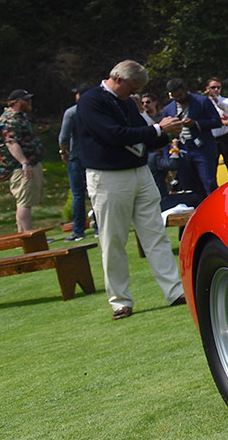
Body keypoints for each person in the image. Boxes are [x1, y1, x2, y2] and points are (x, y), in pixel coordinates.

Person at [77, 60, 186, 319]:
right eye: (133, 87)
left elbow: (142, 135)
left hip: (139, 173)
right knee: (113, 240)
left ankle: (175, 291)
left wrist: (165, 132)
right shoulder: (92, 101)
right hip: (108, 177)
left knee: (155, 234)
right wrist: (158, 129)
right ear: (118, 79)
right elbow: (113, 135)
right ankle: (120, 300)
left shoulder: (125, 102)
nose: (135, 94)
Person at [0, 89, 44, 233]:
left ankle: (24, 235)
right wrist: (24, 163)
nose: (29, 102)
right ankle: (29, 236)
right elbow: (11, 143)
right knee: (24, 202)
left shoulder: (20, 117)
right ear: (16, 102)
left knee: (25, 201)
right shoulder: (9, 120)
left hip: (27, 164)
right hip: (20, 167)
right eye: (26, 100)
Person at [162, 78, 222, 197]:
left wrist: (196, 123)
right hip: (182, 149)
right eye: (174, 97)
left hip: (202, 148)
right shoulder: (168, 109)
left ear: (186, 90)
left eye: (180, 95)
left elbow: (217, 122)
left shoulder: (202, 101)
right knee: (188, 186)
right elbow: (166, 134)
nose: (178, 98)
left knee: (208, 182)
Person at [59, 84, 93, 239]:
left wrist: (63, 151)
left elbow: (64, 137)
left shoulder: (72, 112)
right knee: (95, 193)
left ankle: (78, 230)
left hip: (77, 156)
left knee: (78, 194)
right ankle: (99, 227)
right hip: (94, 155)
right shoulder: (96, 110)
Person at [205, 77, 228, 181]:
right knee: (212, 168)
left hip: (224, 137)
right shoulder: (203, 103)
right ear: (207, 88)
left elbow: (226, 109)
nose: (216, 90)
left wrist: (215, 98)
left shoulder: (226, 100)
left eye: (218, 87)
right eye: (213, 87)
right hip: (211, 138)